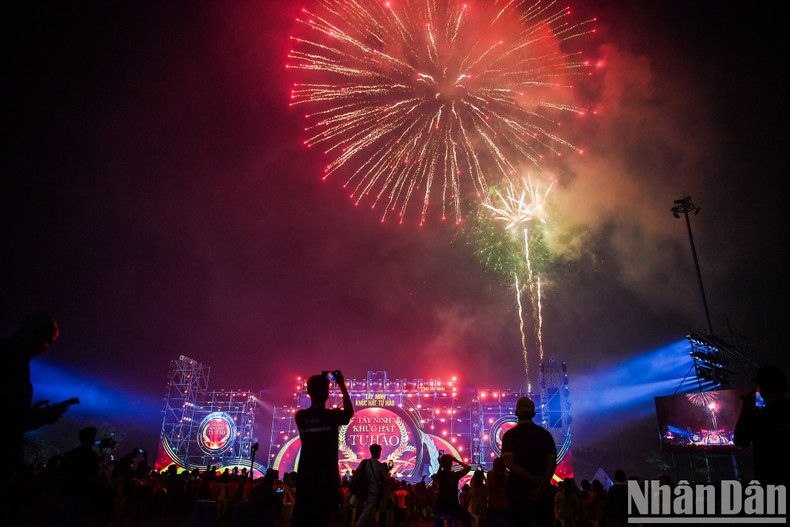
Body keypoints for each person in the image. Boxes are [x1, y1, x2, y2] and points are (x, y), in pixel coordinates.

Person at [293, 371, 354, 527]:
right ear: (327, 394)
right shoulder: (331, 416)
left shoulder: (301, 417)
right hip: (326, 479)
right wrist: (341, 385)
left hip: (305, 478)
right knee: (322, 520)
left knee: (302, 520)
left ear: (309, 393)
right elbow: (348, 413)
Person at [501, 397, 557, 527]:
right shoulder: (545, 435)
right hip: (543, 493)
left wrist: (533, 479)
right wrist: (541, 486)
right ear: (533, 414)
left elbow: (510, 463)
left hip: (518, 491)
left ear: (516, 413)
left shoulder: (509, 436)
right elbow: (552, 464)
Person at [734, 365, 790, 486]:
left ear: (761, 388)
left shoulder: (761, 416)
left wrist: (746, 408)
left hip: (769, 480)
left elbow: (740, 440)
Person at [355, 443, 392, 527]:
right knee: (368, 510)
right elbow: (384, 479)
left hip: (364, 490)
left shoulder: (364, 463)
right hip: (373, 491)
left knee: (370, 511)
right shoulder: (380, 465)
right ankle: (358, 525)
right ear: (378, 452)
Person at [432, 454, 472, 527]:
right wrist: (456, 460)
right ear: (451, 464)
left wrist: (440, 465)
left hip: (441, 506)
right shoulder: (454, 475)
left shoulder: (440, 476)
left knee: (439, 519)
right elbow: (468, 468)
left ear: (442, 464)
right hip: (453, 506)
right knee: (468, 517)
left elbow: (438, 475)